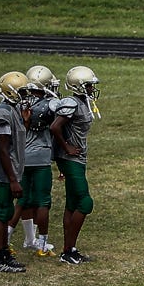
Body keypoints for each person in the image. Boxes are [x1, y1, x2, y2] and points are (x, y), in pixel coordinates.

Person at [48, 65, 102, 265]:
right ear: (78, 86)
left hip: (76, 158)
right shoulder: (71, 102)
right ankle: (68, 249)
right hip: (71, 158)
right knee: (85, 202)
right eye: (88, 85)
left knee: (72, 203)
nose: (91, 89)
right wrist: (67, 147)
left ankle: (68, 250)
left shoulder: (81, 101)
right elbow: (55, 127)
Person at [16, 64, 59, 258]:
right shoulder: (51, 104)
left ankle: (23, 239)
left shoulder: (17, 102)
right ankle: (42, 243)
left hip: (22, 156)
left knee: (23, 200)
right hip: (41, 156)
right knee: (43, 201)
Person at [0, 72, 29, 273]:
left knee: (7, 212)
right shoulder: (2, 112)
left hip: (12, 170)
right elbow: (3, 148)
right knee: (2, 211)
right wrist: (12, 179)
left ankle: (5, 254)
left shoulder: (13, 109)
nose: (25, 94)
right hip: (6, 172)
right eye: (22, 91)